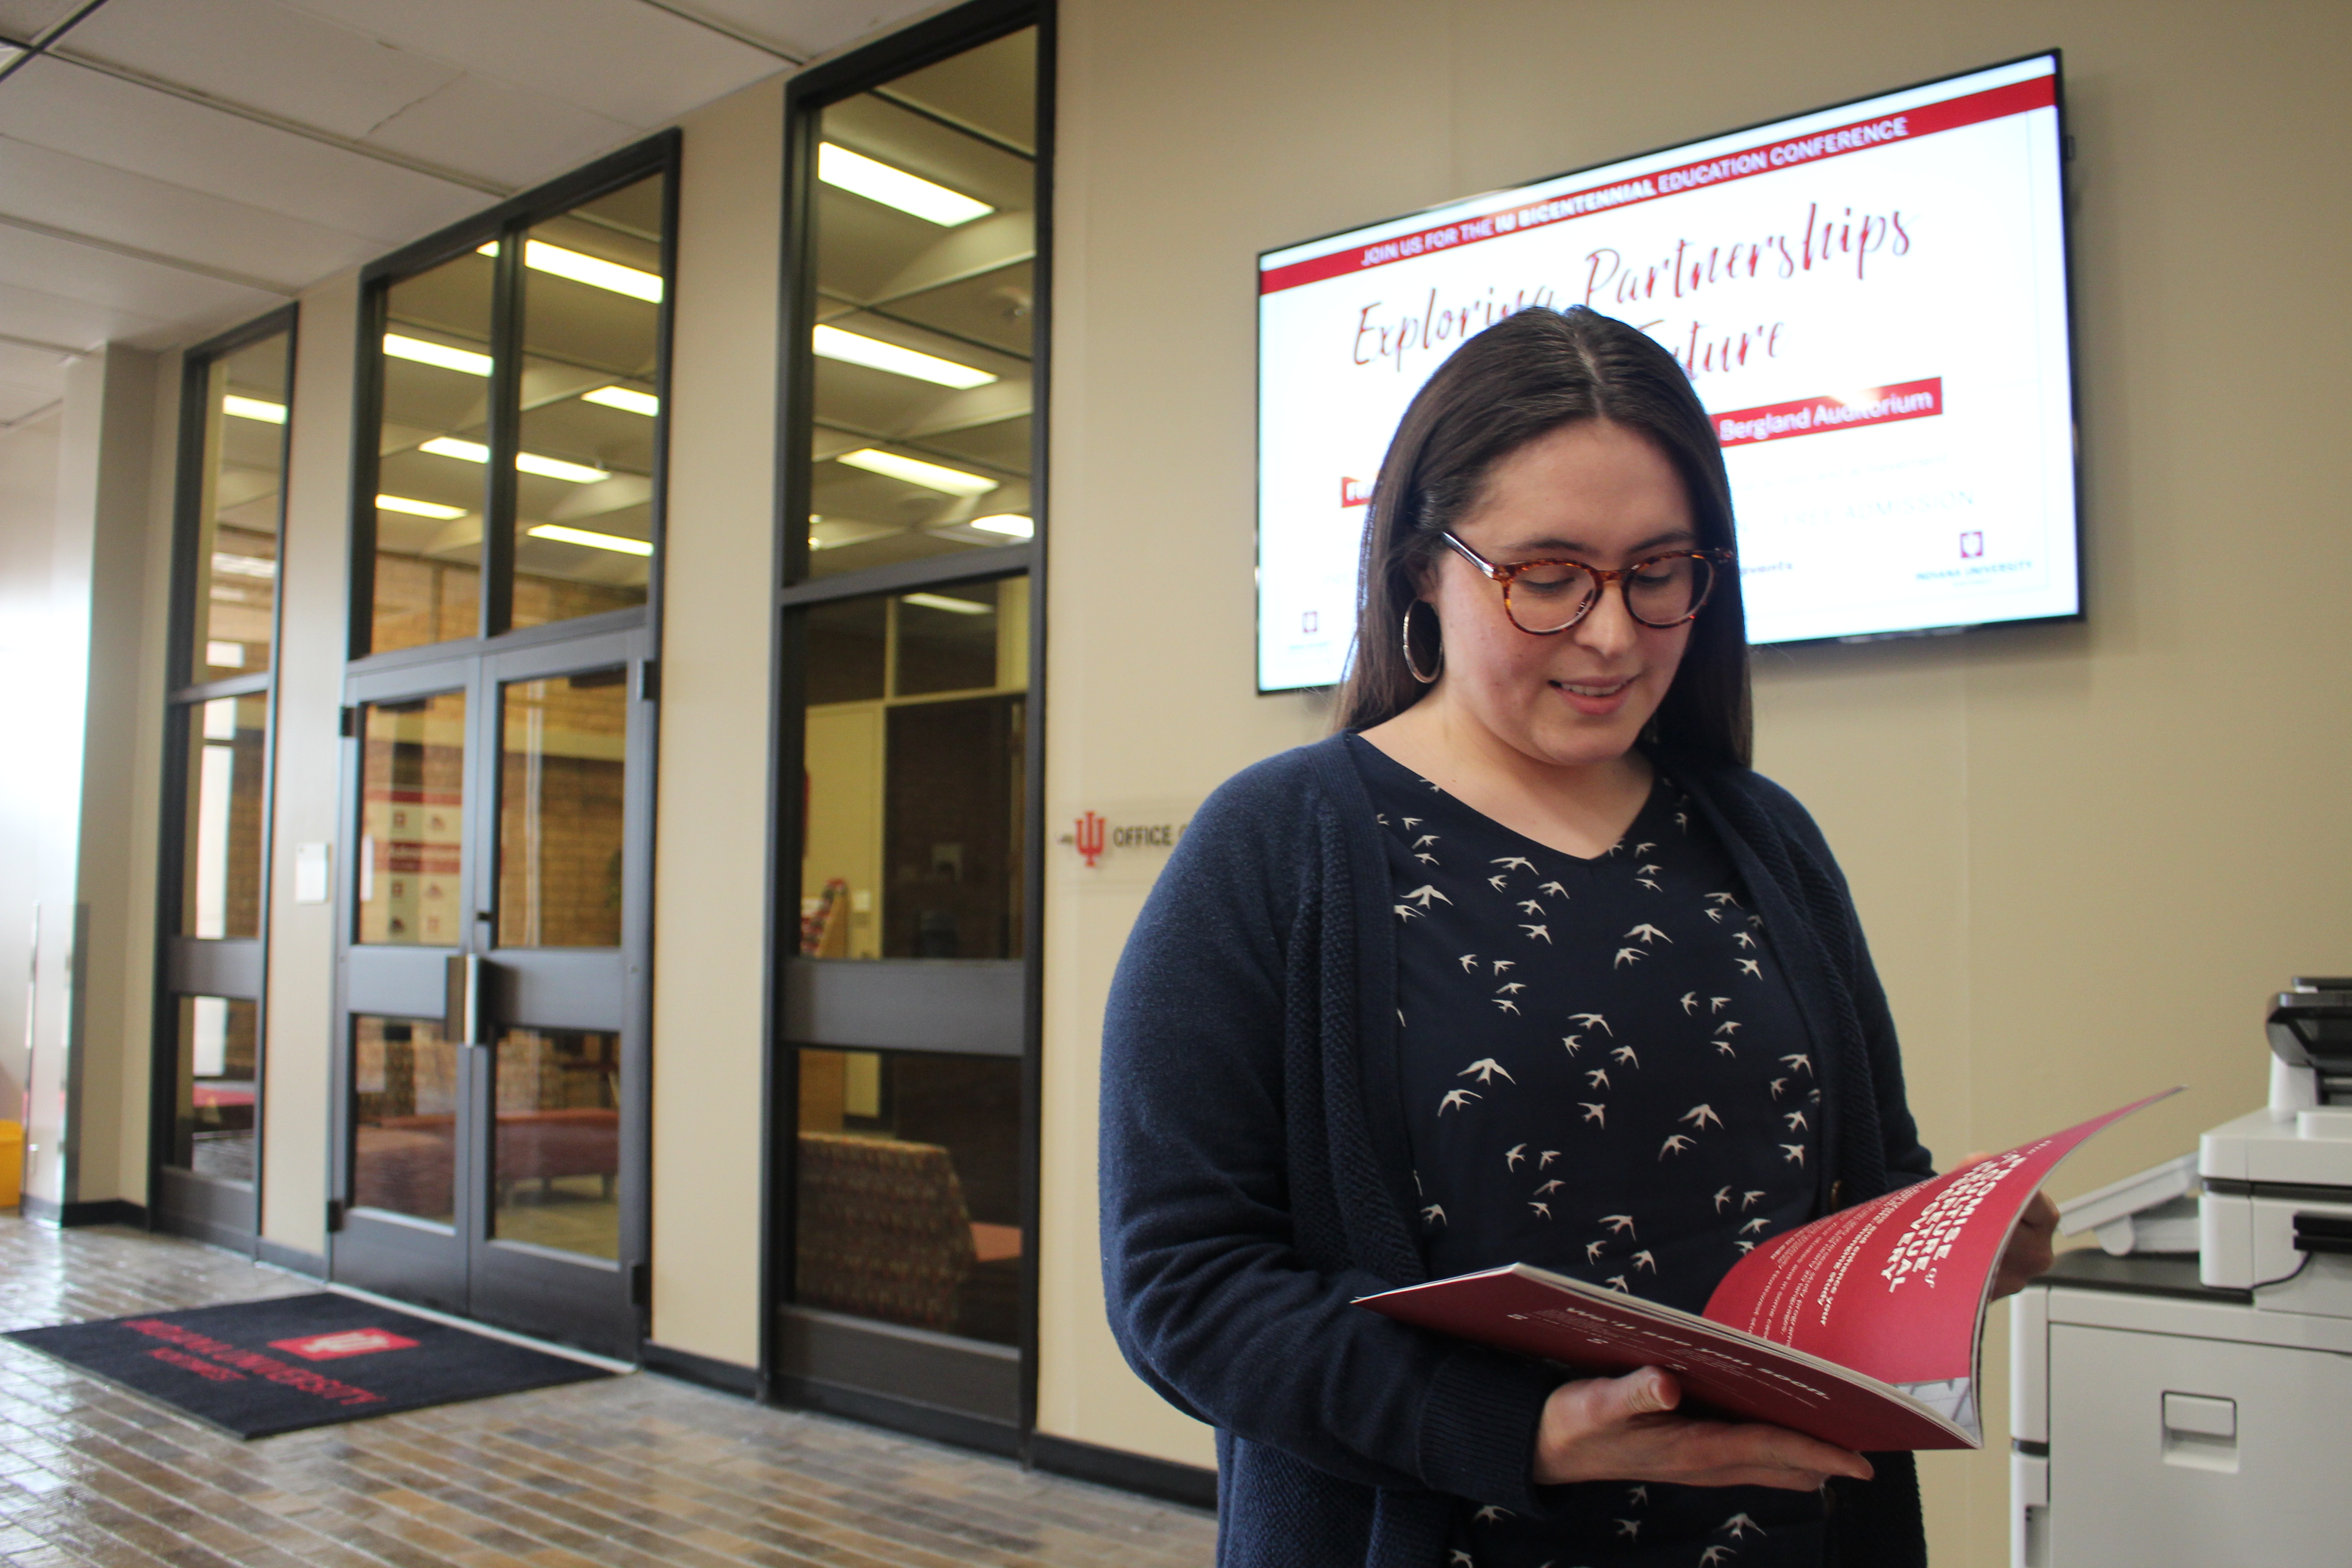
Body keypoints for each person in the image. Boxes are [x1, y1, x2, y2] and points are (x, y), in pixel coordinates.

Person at [1098, 305, 2055, 1568]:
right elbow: (1186, 1287)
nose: (1612, 633)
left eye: (1657, 572)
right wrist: (1528, 1432)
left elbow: (1856, 1183)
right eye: (1548, 578)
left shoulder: (1761, 838)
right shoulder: (1279, 848)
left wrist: (1940, 1251)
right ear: (1420, 572)